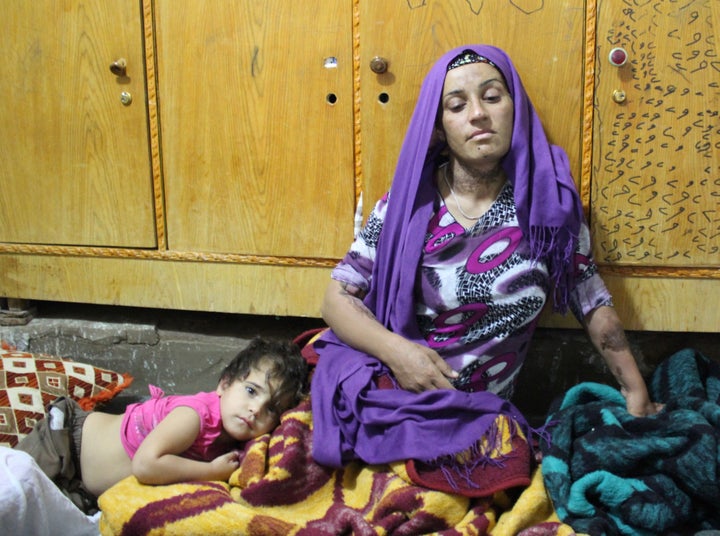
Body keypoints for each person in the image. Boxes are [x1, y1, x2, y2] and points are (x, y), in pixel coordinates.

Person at [310, 44, 662, 489]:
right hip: (396, 390)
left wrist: (636, 394)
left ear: (515, 107)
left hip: (480, 416)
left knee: (497, 471)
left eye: (493, 97)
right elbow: (336, 297)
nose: (478, 114)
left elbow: (592, 302)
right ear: (439, 126)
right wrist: (399, 354)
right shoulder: (406, 205)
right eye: (457, 105)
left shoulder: (548, 206)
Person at [15, 336, 308, 512]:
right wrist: (210, 472)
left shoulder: (236, 438)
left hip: (82, 490)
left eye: (271, 408)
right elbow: (146, 465)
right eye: (251, 391)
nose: (255, 409)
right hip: (64, 445)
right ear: (225, 383)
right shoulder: (195, 416)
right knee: (13, 497)